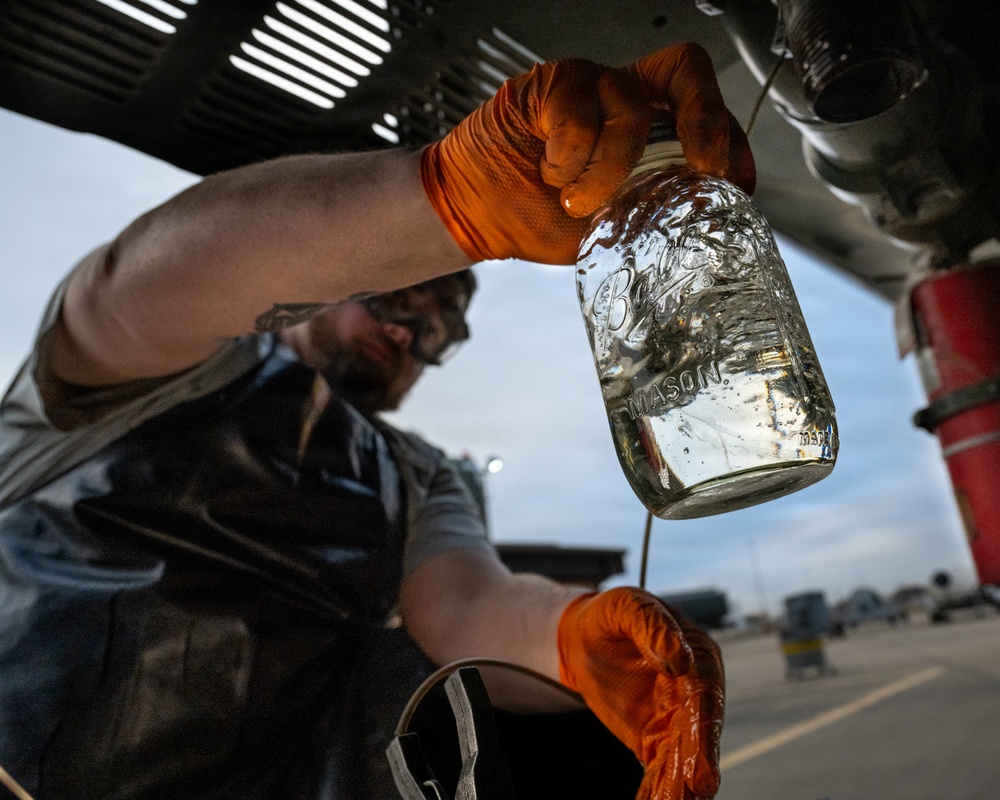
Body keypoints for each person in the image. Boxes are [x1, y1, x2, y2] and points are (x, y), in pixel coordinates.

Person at [0, 42, 755, 800]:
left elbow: (466, 609)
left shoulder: (419, 475)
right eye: (397, 297)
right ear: (336, 275)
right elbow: (145, 278)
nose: (406, 334)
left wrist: (569, 639)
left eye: (436, 332)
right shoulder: (149, 371)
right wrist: (442, 199)